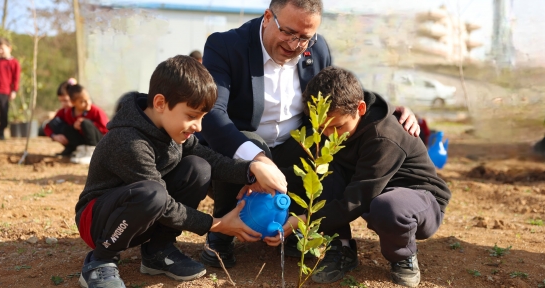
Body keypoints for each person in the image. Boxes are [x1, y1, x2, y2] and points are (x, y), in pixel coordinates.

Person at [198, 0, 421, 268]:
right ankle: (221, 232)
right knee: (246, 143)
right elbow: (214, 115)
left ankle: (335, 238)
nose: (295, 45)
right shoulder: (225, 46)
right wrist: (258, 159)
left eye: (305, 37)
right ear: (268, 17)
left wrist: (385, 110)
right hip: (243, 143)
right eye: (288, 33)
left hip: (298, 142)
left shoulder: (318, 48)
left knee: (327, 152)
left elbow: (338, 92)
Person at [75, 55, 287, 288]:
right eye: (192, 116)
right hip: (97, 221)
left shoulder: (172, 131)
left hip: (145, 212)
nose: (198, 127)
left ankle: (158, 252)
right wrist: (216, 224)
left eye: (202, 117)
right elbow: (162, 204)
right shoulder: (129, 141)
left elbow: (212, 160)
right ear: (160, 103)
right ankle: (99, 262)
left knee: (199, 167)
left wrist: (252, 169)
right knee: (153, 193)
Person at [263, 67, 451, 287]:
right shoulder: (336, 120)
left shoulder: (384, 135)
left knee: (388, 206)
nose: (329, 134)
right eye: (321, 127)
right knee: (323, 168)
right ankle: (341, 247)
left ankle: (402, 255)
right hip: (371, 192)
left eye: (337, 127)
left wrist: (303, 221)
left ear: (361, 108)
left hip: (418, 202)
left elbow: (359, 198)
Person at [43, 82, 109, 164]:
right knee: (66, 128)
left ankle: (91, 153)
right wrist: (56, 135)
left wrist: (89, 124)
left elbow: (106, 129)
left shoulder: (95, 111)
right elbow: (48, 126)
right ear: (74, 102)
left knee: (85, 123)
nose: (88, 103)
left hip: (98, 142)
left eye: (66, 100)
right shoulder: (68, 113)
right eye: (61, 101)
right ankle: (79, 151)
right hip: (82, 140)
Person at [0, 37, 20, 140]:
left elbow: (16, 78)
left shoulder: (14, 63)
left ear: (9, 48)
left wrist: (14, 91)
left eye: (2, 48)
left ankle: (1, 133)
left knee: (3, 112)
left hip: (4, 91)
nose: (0, 51)